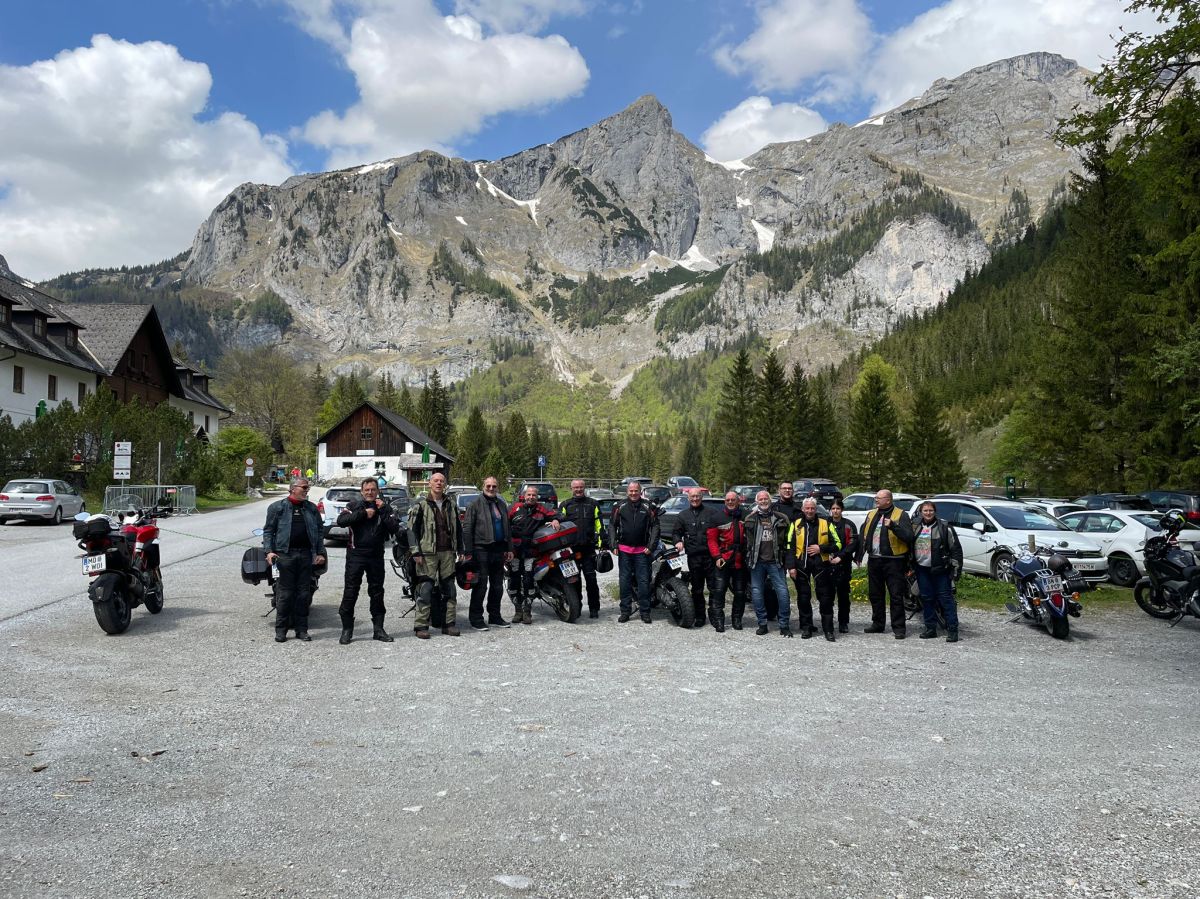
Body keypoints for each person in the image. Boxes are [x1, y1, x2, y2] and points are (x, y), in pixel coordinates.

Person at [335, 477, 400, 644]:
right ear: (362, 491)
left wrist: (384, 510)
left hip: (376, 556)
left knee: (377, 593)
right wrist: (363, 514)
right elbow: (341, 521)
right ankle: (347, 630)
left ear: (377, 491)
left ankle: (378, 630)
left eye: (373, 489)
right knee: (350, 592)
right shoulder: (353, 506)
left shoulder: (385, 507)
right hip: (356, 555)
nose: (370, 492)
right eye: (367, 490)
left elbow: (395, 528)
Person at [262, 477, 327, 642]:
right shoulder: (277, 507)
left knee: (303, 594)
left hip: (306, 555)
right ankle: (281, 631)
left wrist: (319, 552)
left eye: (308, 488)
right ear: (293, 488)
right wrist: (269, 551)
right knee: (285, 594)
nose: (307, 490)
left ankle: (302, 630)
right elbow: (269, 531)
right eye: (304, 487)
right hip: (285, 555)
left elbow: (319, 532)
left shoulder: (311, 509)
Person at [407, 472, 463, 639]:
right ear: (430, 484)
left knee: (450, 590)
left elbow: (458, 528)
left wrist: (462, 549)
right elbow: (411, 531)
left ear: (445, 484)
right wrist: (415, 551)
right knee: (425, 590)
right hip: (427, 554)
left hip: (447, 553)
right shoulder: (421, 505)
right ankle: (421, 626)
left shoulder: (451, 504)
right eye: (435, 481)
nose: (439, 483)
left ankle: (449, 624)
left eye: (441, 481)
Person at [855, 489, 915, 638]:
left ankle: (899, 628)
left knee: (896, 595)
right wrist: (860, 554)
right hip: (875, 559)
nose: (876, 500)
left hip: (894, 561)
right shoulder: (871, 514)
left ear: (888, 500)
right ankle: (878, 624)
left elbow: (909, 537)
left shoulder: (901, 515)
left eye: (879, 498)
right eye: (876, 498)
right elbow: (864, 535)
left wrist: (894, 526)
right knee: (875, 594)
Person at [462, 476, 515, 629]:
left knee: (497, 586)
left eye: (494, 486)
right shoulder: (475, 504)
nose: (491, 488)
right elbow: (467, 529)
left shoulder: (501, 504)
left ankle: (495, 616)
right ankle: (476, 618)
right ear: (483, 486)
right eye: (488, 486)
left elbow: (507, 528)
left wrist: (509, 548)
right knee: (481, 586)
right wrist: (468, 551)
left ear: (497, 487)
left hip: (498, 550)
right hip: (481, 550)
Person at [508, 485, 564, 624]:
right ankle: (518, 611)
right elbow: (503, 523)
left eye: (534, 495)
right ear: (524, 496)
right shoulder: (514, 508)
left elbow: (558, 514)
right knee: (514, 580)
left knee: (529, 580)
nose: (531, 497)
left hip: (530, 551)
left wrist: (556, 520)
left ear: (537, 497)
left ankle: (527, 611)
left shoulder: (541, 509)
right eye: (529, 495)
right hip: (514, 550)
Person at [911, 501, 963, 642]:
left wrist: (956, 571)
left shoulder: (945, 527)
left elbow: (956, 551)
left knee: (946, 600)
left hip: (941, 571)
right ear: (921, 512)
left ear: (935, 512)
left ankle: (952, 630)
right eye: (925, 511)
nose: (928, 513)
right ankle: (930, 629)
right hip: (922, 569)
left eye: (931, 510)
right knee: (927, 599)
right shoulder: (915, 526)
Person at [744, 490, 793, 637]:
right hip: (757, 562)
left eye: (766, 499)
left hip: (776, 562)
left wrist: (788, 560)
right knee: (757, 593)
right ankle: (762, 623)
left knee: (783, 592)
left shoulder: (781, 518)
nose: (764, 501)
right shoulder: (749, 519)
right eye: (761, 499)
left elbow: (789, 541)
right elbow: (746, 541)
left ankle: (784, 624)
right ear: (757, 501)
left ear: (770, 500)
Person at [788, 497, 837, 640]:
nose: (809, 511)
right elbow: (789, 546)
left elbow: (838, 544)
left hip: (821, 565)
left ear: (816, 509)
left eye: (812, 508)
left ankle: (828, 630)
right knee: (803, 598)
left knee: (826, 598)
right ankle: (806, 627)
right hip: (801, 566)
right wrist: (791, 566)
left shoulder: (826, 523)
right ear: (803, 509)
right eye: (807, 508)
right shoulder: (795, 524)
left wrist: (821, 548)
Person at [611, 481, 660, 623]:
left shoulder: (648, 506)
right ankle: (625, 611)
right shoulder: (619, 506)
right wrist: (613, 544)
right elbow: (612, 526)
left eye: (636, 491)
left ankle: (645, 612)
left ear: (640, 491)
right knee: (624, 582)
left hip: (642, 552)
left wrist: (651, 546)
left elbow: (656, 527)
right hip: (624, 551)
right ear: (627, 492)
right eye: (631, 491)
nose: (633, 493)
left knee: (644, 582)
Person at [559, 479, 605, 619]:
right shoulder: (565, 504)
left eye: (581, 487)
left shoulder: (593, 504)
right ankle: (576, 607)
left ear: (584, 488)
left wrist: (601, 543)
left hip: (588, 549)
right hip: (571, 551)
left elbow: (599, 524)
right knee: (574, 580)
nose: (578, 489)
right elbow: (559, 524)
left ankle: (594, 608)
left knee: (591, 580)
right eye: (576, 487)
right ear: (571, 488)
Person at [672, 488, 714, 628]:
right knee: (697, 589)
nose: (695, 499)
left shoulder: (711, 513)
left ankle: (714, 615)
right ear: (688, 498)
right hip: (694, 557)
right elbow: (676, 533)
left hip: (710, 557)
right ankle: (700, 616)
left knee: (714, 588)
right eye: (692, 496)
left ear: (701, 497)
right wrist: (678, 541)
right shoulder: (683, 515)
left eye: (697, 496)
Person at [707, 490, 747, 631]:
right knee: (719, 591)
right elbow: (711, 540)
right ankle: (718, 620)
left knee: (740, 592)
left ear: (738, 501)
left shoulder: (745, 515)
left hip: (740, 560)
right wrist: (717, 557)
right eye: (728, 500)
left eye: (733, 500)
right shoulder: (717, 517)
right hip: (723, 559)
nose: (730, 502)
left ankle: (737, 619)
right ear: (725, 501)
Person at [826, 499, 859, 634]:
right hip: (828, 563)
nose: (835, 511)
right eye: (833, 508)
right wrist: (827, 554)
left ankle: (843, 622)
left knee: (843, 596)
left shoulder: (848, 525)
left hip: (844, 563)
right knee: (828, 595)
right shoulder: (825, 523)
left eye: (838, 508)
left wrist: (842, 556)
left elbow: (853, 543)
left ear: (842, 510)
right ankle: (828, 622)